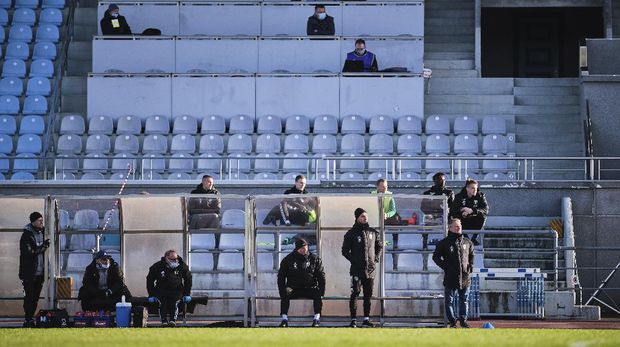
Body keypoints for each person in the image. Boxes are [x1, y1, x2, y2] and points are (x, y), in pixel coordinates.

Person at [341, 208, 382, 328]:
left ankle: (366, 319)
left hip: (370, 270)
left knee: (368, 295)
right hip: (357, 270)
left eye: (366, 216)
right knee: (355, 294)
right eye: (362, 216)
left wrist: (375, 259)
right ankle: (353, 320)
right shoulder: (351, 233)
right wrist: (354, 261)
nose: (365, 218)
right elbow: (344, 251)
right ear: (357, 218)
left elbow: (379, 247)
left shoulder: (373, 232)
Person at [432, 218, 474, 328]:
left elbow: (471, 256)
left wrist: (470, 268)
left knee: (464, 300)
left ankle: (463, 321)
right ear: (450, 228)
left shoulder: (467, 242)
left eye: (459, 226)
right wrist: (445, 267)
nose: (458, 228)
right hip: (450, 276)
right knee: (449, 301)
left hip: (465, 277)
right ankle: (452, 321)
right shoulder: (444, 243)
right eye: (455, 226)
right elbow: (435, 257)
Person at [277, 238, 326, 327]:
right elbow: (281, 277)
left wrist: (322, 291)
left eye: (306, 248)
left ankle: (316, 319)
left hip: (309, 288)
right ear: (297, 249)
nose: (304, 250)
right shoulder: (288, 259)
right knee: (285, 293)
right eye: (302, 248)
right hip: (294, 288)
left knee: (318, 294)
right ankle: (284, 319)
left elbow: (321, 276)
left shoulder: (314, 259)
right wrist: (281, 291)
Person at [146, 250, 192, 327]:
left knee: (174, 303)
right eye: (172, 259)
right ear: (166, 258)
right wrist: (151, 294)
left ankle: (172, 321)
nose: (175, 261)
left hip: (177, 290)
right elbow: (150, 280)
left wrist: (187, 293)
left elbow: (188, 279)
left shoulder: (181, 266)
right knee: (162, 303)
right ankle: (163, 321)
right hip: (161, 290)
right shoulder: (157, 266)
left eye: (176, 259)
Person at [19, 212, 50, 328]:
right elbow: (28, 252)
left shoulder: (44, 233)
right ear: (33, 222)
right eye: (39, 220)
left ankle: (31, 318)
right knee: (29, 298)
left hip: (40, 273)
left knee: (35, 298)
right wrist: (43, 247)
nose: (42, 222)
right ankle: (28, 319)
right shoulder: (26, 235)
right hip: (29, 274)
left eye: (42, 220)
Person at [450, 179, 489, 246]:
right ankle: (465, 237)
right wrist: (462, 210)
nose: (475, 190)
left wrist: (472, 211)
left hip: (475, 221)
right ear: (467, 188)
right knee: (456, 217)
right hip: (463, 221)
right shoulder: (459, 197)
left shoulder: (480, 196)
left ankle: (474, 238)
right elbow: (452, 210)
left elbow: (485, 209)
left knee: (483, 216)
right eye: (473, 188)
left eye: (476, 188)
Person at [421, 172, 455, 248]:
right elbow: (423, 207)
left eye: (444, 180)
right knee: (425, 222)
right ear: (435, 181)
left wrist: (445, 212)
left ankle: (449, 244)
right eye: (440, 180)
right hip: (431, 216)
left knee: (452, 223)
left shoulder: (449, 193)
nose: (443, 182)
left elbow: (452, 207)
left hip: (444, 217)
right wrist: (431, 214)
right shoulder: (427, 193)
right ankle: (425, 244)